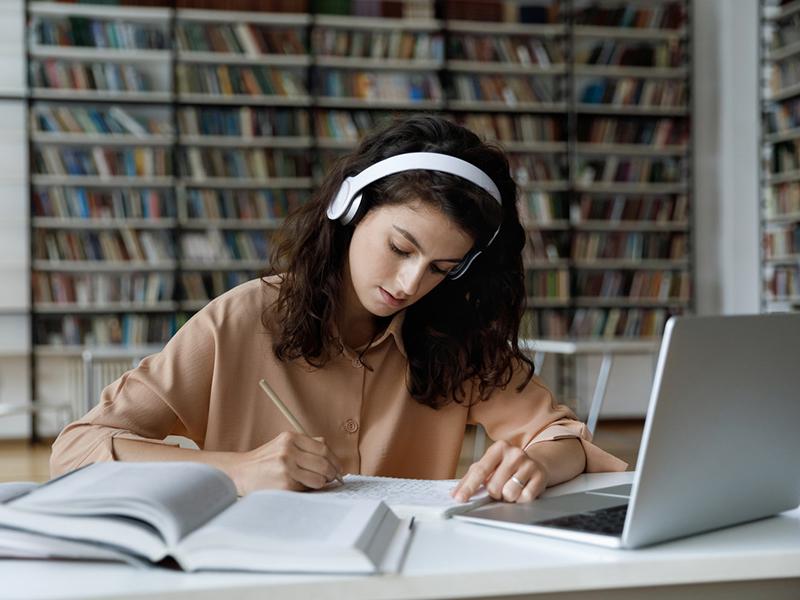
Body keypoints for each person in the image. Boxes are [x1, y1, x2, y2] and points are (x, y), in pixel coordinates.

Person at [50, 115, 626, 503]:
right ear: (349, 210)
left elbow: (562, 437)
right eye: (400, 248)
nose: (410, 283)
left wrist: (539, 463)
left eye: (441, 268)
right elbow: (77, 450)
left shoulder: (455, 334)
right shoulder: (241, 319)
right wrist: (237, 469)